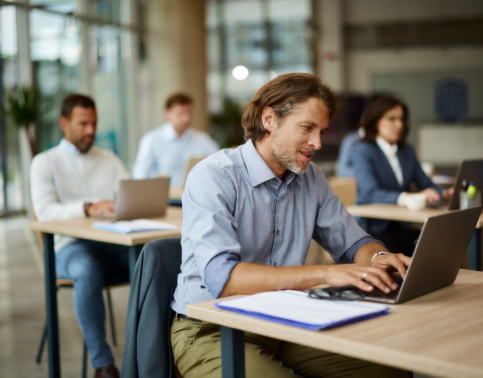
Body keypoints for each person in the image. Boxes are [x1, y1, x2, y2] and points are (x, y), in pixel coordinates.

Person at [170, 73, 410, 378]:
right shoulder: (214, 176)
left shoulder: (312, 179)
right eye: (307, 128)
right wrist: (325, 273)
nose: (318, 143)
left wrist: (378, 258)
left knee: (390, 371)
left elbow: (352, 243)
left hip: (284, 319)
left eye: (321, 131)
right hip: (212, 326)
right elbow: (225, 279)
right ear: (269, 119)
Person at [31, 94, 129, 378]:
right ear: (64, 123)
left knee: (153, 261)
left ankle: (156, 357)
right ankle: (103, 365)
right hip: (67, 247)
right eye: (83, 123)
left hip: (112, 241)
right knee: (86, 270)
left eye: (94, 123)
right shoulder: (44, 163)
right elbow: (45, 212)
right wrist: (87, 207)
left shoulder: (109, 159)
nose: (91, 130)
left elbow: (129, 195)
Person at [353, 95, 453, 256]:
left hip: (400, 225)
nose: (399, 124)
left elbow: (426, 184)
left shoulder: (407, 151)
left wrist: (444, 193)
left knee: (441, 243)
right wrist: (408, 197)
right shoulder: (364, 151)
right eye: (392, 119)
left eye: (401, 119)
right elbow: (368, 193)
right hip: (372, 229)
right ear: (375, 120)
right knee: (411, 249)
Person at [132, 92, 219, 188]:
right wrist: (155, 181)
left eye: (189, 113)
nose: (186, 118)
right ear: (167, 114)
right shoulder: (151, 140)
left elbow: (218, 164)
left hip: (197, 195)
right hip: (166, 198)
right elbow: (139, 175)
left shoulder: (203, 139)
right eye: (181, 114)